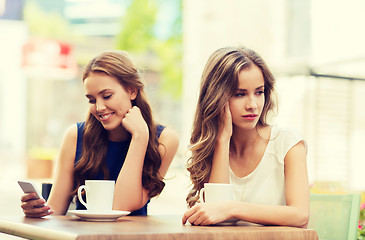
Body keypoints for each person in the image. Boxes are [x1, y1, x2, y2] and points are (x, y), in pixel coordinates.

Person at [21, 51, 179, 217]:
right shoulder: (75, 136)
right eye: (91, 100)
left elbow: (121, 206)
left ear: (132, 91)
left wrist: (139, 137)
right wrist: (37, 212)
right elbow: (54, 213)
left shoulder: (165, 139)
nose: (99, 107)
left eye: (107, 96)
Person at [182, 46, 309, 227]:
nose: (252, 105)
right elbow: (219, 223)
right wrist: (222, 140)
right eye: (240, 94)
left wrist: (232, 208)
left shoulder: (288, 143)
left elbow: (300, 215)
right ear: (217, 97)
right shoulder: (213, 147)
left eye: (259, 92)